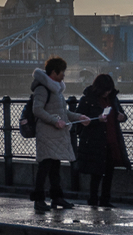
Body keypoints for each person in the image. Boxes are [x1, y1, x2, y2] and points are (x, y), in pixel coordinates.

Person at [29, 57, 90, 212]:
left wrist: (79, 117)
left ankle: (56, 198)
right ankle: (39, 200)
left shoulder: (55, 89)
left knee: (54, 168)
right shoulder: (42, 89)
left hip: (55, 135)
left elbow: (64, 112)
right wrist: (55, 122)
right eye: (62, 72)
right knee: (45, 167)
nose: (64, 75)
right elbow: (37, 110)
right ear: (54, 72)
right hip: (47, 135)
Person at [73, 74, 130, 208]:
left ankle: (105, 199)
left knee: (109, 172)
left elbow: (121, 113)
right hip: (95, 142)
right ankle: (93, 199)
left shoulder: (113, 99)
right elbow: (79, 120)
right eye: (105, 90)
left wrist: (122, 117)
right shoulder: (87, 100)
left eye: (109, 90)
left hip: (111, 140)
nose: (107, 93)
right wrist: (95, 119)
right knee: (96, 173)